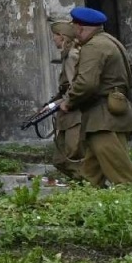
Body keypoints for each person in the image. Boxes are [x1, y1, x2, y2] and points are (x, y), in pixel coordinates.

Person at [60, 7, 132, 187]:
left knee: (124, 178)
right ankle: (80, 206)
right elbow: (131, 70)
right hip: (111, 113)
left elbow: (86, 83)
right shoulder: (110, 41)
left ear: (80, 28)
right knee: (90, 176)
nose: (73, 33)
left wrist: (69, 101)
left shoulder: (93, 46)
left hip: (103, 118)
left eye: (74, 28)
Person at [49, 20, 85, 179]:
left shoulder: (72, 56)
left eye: (55, 36)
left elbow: (76, 86)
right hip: (69, 114)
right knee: (60, 159)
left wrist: (61, 103)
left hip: (74, 114)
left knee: (73, 154)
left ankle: (90, 186)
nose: (53, 39)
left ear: (62, 37)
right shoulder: (67, 55)